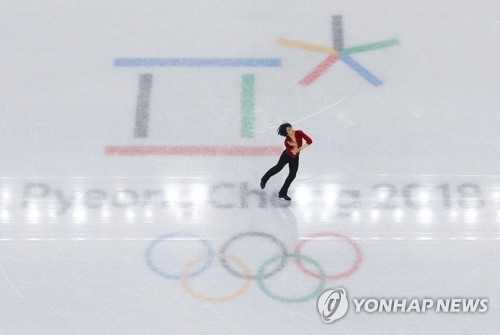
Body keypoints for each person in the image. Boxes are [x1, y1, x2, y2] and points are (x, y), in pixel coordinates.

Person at [260, 123, 313, 201]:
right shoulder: (287, 141)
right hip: (287, 156)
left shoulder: (299, 133)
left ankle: (282, 193)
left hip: (295, 157)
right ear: (286, 133)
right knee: (278, 168)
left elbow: (309, 141)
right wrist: (295, 146)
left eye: (290, 128)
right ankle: (264, 179)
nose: (291, 129)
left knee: (292, 175)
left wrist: (298, 148)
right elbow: (292, 154)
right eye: (288, 130)